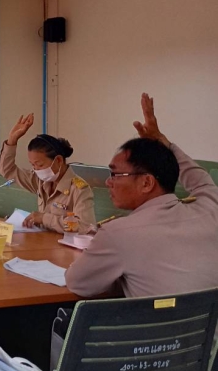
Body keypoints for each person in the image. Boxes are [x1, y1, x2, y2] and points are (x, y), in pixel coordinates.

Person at [65, 93, 218, 298]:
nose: (108, 182)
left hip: (151, 330)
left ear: (146, 182)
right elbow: (201, 181)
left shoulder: (117, 233)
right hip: (208, 330)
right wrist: (165, 145)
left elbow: (78, 283)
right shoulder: (210, 210)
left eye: (115, 174)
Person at [0, 113, 95, 233]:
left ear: (58, 160)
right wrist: (12, 140)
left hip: (64, 248)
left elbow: (85, 227)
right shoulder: (40, 181)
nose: (37, 170)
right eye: (33, 165)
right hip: (42, 242)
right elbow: (7, 171)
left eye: (40, 165)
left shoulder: (80, 189)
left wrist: (44, 219)